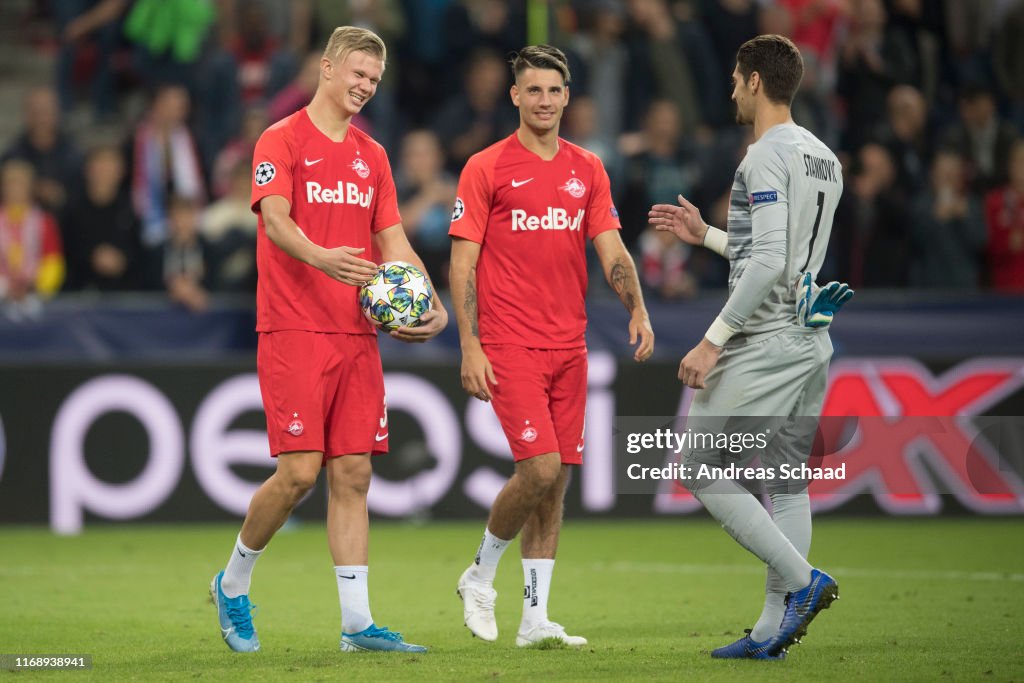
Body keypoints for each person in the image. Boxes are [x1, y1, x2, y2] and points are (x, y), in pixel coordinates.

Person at [209, 25, 448, 655]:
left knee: (355, 472)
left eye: (375, 79)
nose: (366, 87)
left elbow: (393, 242)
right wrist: (325, 258)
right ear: (328, 67)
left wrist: (432, 304)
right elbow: (277, 220)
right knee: (298, 474)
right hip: (293, 327)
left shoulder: (373, 156)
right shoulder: (280, 138)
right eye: (358, 74)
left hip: (357, 332)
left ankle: (356, 625)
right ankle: (232, 582)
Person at [648, 34, 850, 659]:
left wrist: (711, 342)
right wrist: (707, 234)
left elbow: (766, 262)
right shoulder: (825, 158)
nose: (731, 89)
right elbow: (785, 254)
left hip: (762, 338)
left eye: (737, 79)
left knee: (695, 468)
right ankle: (770, 632)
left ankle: (802, 582)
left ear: (757, 81)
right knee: (786, 482)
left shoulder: (761, 156)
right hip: (812, 336)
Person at [449, 45, 654, 648]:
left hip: (571, 346)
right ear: (514, 96)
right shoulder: (485, 168)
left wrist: (637, 306)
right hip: (510, 345)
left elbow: (612, 249)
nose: (543, 100)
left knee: (556, 482)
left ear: (567, 97)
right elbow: (463, 265)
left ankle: (535, 619)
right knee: (536, 469)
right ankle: (480, 575)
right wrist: (470, 344)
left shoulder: (588, 168)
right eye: (532, 90)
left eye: (554, 91)